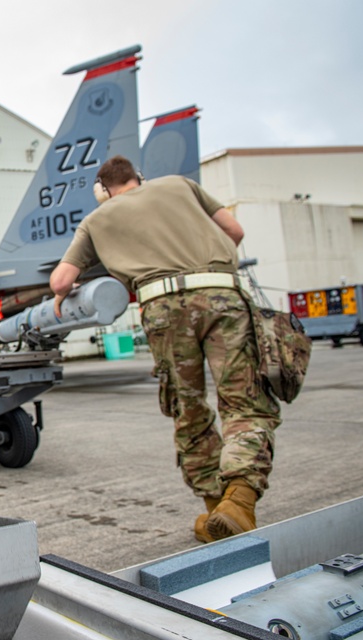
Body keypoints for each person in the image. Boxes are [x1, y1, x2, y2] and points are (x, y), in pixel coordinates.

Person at [49, 155, 280, 546]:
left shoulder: (96, 219)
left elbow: (61, 280)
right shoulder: (180, 184)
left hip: (163, 308)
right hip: (222, 293)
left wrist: (63, 296)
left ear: (103, 190)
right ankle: (238, 502)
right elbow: (235, 231)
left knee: (189, 410)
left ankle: (214, 508)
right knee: (244, 403)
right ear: (139, 177)